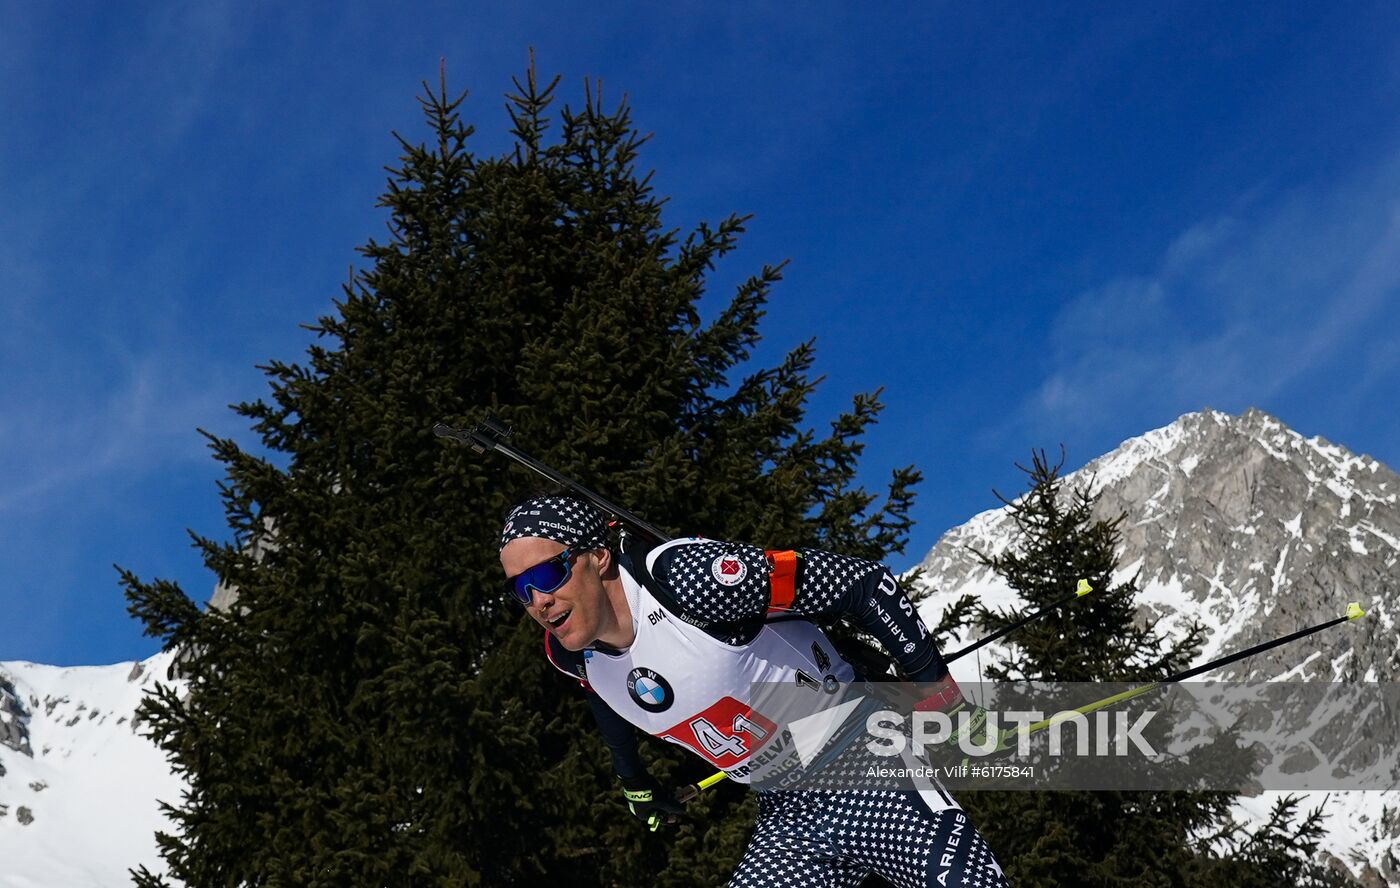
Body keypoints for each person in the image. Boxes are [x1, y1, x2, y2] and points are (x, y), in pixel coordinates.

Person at [499, 494, 1009, 888]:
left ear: (599, 558)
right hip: (786, 813)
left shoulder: (685, 581)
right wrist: (634, 782)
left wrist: (940, 692)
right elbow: (605, 693)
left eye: (547, 573)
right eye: (519, 588)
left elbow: (864, 585)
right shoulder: (570, 651)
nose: (538, 600)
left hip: (862, 762)